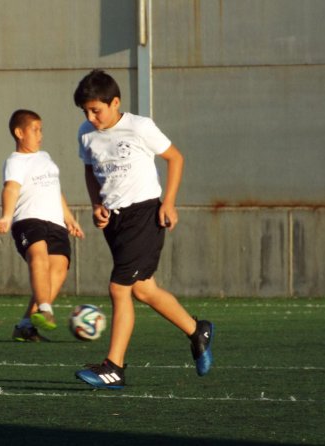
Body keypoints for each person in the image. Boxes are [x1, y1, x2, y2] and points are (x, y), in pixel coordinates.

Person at [72, 69, 214, 389]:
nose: (91, 117)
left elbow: (175, 158)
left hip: (145, 216)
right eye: (86, 111)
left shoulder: (139, 126)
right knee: (143, 289)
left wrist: (170, 203)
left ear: (115, 102)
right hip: (116, 222)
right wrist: (96, 205)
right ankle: (197, 331)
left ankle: (114, 368)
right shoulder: (86, 132)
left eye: (96, 110)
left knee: (119, 289)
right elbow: (89, 171)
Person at [0, 109, 84, 342]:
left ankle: (24, 325)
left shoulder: (45, 157)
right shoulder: (15, 161)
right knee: (39, 258)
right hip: (28, 220)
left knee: (59, 270)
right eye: (35, 129)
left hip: (55, 223)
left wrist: (69, 218)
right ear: (19, 132)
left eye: (41, 129)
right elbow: (11, 189)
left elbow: (54, 189)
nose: (40, 134)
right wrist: (6, 216)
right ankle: (45, 310)